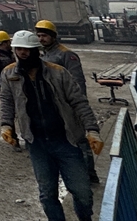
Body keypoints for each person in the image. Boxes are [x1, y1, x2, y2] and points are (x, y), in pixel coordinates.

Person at [0, 30, 102, 221]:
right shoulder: (9, 74)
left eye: (26, 49)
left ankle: (85, 218)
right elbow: (7, 101)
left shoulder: (57, 72)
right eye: (18, 49)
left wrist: (92, 129)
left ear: (35, 51)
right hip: (37, 143)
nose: (22, 53)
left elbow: (78, 101)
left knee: (82, 191)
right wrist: (6, 125)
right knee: (47, 194)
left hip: (66, 141)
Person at [35, 19, 95, 184]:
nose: (41, 39)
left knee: (79, 140)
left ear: (53, 36)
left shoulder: (66, 55)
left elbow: (77, 82)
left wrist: (76, 105)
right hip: (53, 107)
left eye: (44, 36)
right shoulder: (45, 55)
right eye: (39, 36)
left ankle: (89, 173)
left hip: (69, 105)